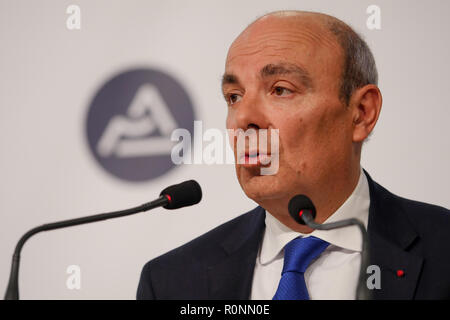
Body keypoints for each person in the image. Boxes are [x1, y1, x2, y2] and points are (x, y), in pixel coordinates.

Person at [136, 10, 450, 300]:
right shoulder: (171, 282)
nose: (243, 118)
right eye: (234, 96)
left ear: (361, 113)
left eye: (281, 89)